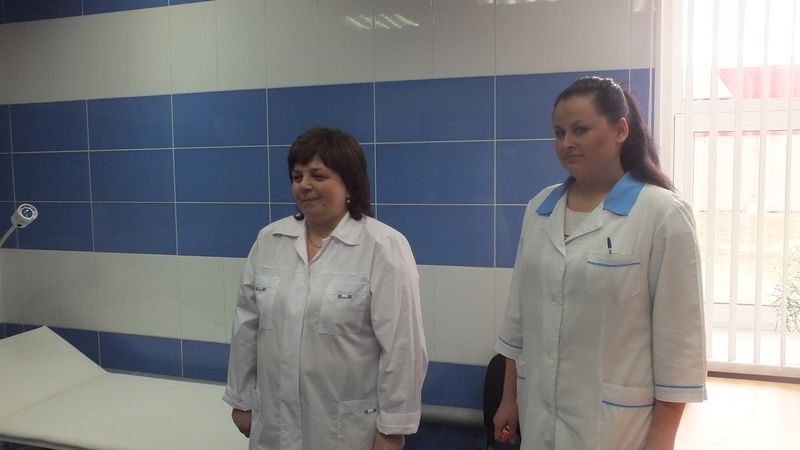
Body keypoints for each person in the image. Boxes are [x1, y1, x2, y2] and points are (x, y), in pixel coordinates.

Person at [493, 76, 707, 450]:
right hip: (538, 414)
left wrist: (662, 440)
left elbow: (680, 345)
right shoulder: (540, 208)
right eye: (559, 132)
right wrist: (508, 397)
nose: (566, 142)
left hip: (615, 428)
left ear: (621, 130)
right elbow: (519, 316)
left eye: (580, 129)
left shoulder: (662, 214)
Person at [224, 126, 428, 450]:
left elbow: (403, 346)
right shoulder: (270, 240)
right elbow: (246, 326)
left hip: (346, 431)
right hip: (274, 425)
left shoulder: (383, 246)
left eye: (317, 176)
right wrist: (241, 399)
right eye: (297, 176)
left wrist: (392, 429)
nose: (304, 185)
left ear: (349, 184)